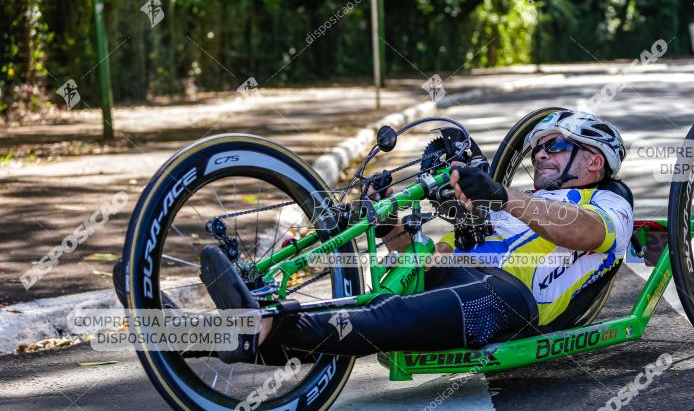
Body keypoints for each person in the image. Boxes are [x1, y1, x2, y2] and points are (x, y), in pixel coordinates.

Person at [200, 110, 634, 363]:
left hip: (511, 301)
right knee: (379, 301)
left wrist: (504, 196)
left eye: (555, 146)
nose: (540, 153)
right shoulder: (514, 208)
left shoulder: (610, 202)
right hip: (464, 274)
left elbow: (589, 234)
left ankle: (261, 325)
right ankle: (192, 338)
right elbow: (423, 260)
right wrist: (387, 222)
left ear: (594, 160)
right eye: (538, 147)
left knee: (389, 317)